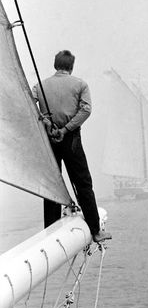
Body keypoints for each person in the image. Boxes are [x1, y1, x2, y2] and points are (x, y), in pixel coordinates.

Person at [32, 50, 112, 243]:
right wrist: (66, 129)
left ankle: (50, 233)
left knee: (53, 184)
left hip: (49, 137)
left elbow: (29, 102)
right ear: (71, 66)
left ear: (55, 65)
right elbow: (86, 109)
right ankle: (95, 230)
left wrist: (46, 122)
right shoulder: (80, 84)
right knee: (83, 183)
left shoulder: (40, 85)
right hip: (71, 139)